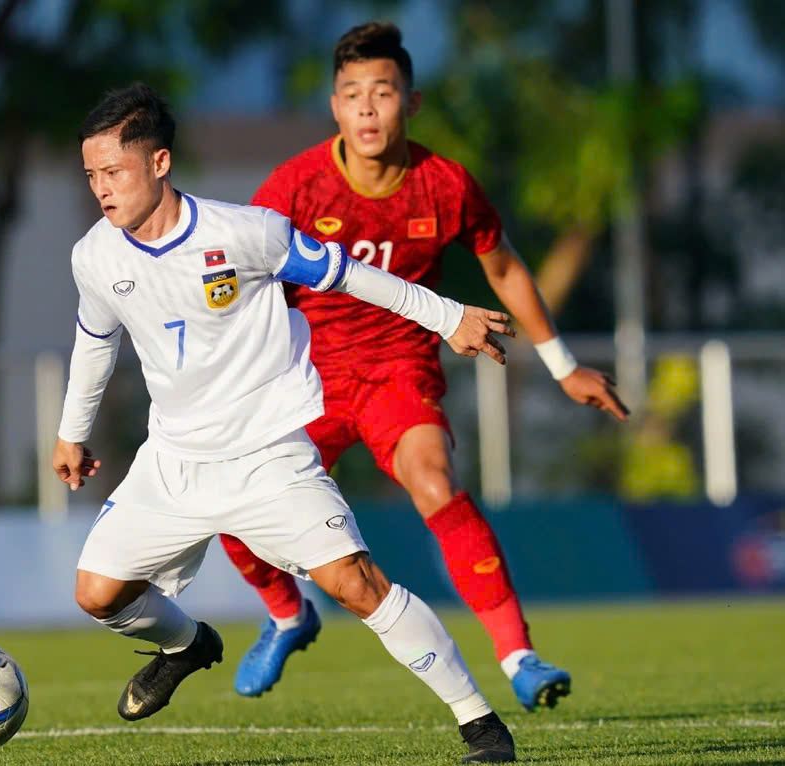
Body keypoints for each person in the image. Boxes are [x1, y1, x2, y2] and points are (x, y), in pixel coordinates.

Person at [54, 82, 518, 762]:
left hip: (267, 454)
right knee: (97, 595)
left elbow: (353, 275)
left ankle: (479, 722)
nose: (102, 188)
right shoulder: (95, 256)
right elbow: (96, 341)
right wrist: (72, 431)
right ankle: (188, 645)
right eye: (92, 174)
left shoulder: (246, 234)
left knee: (355, 584)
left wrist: (449, 317)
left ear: (159, 163)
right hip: (174, 462)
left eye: (114, 172)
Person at [218, 22, 630, 711]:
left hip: (397, 373)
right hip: (304, 381)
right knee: (229, 498)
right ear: (335, 106)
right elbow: (244, 278)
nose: (368, 109)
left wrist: (562, 366)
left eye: (384, 93)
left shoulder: (443, 184)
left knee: (435, 482)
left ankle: (518, 655)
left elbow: (501, 266)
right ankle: (288, 615)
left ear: (412, 103)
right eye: (353, 95)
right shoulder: (294, 187)